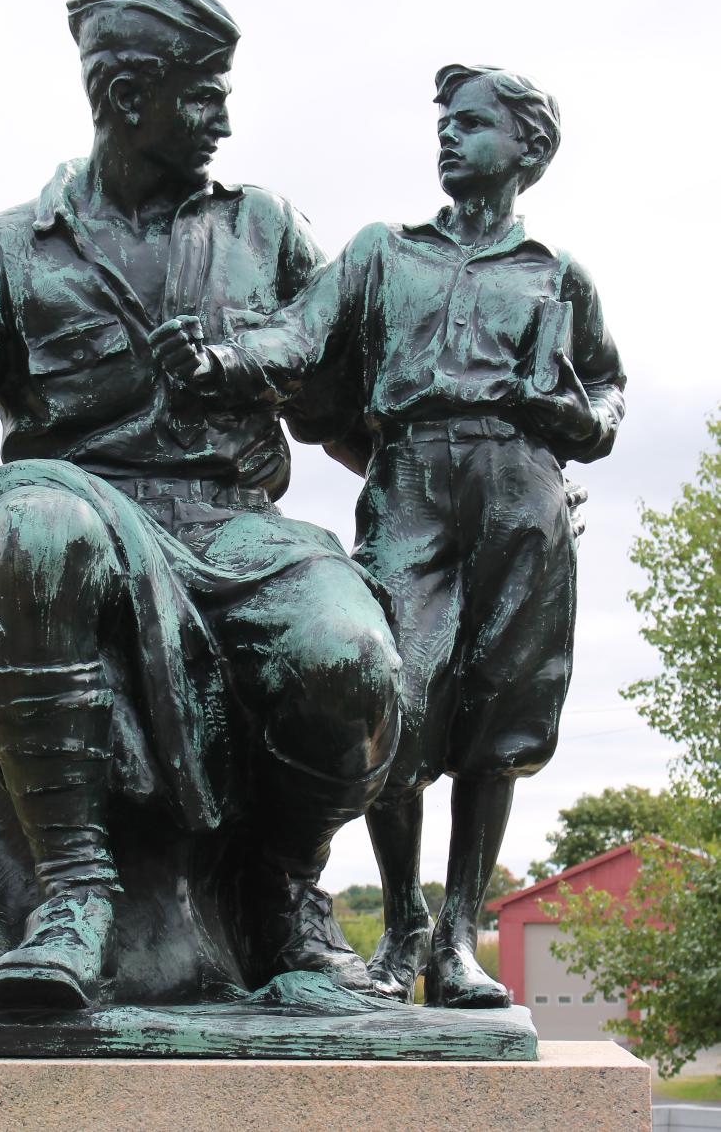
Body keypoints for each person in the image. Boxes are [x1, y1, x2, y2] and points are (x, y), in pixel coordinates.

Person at [0, 0, 401, 1013]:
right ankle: (71, 895)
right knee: (35, 523)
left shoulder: (264, 227)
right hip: (81, 507)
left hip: (234, 530)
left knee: (348, 659)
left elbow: (348, 412)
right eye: (201, 97)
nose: (223, 120)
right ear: (123, 92)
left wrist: (468, 473)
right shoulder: (7, 248)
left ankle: (280, 897)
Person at [153, 63, 625, 1008]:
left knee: (500, 720)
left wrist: (574, 413)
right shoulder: (383, 252)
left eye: (473, 123)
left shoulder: (557, 275)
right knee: (393, 699)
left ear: (526, 149)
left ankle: (456, 936)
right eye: (444, 122)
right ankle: (402, 916)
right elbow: (300, 334)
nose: (449, 136)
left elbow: (608, 397)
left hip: (524, 493)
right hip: (411, 483)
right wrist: (220, 359)